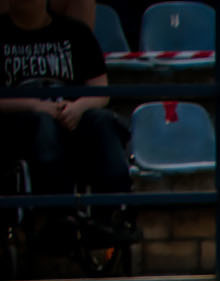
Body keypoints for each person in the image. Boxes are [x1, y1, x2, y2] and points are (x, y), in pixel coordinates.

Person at [0, 0, 126, 201]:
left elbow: (101, 90)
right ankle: (56, 210)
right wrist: (35, 106)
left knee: (103, 121)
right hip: (20, 124)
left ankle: (115, 208)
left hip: (70, 115)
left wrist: (78, 107)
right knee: (44, 124)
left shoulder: (76, 31)